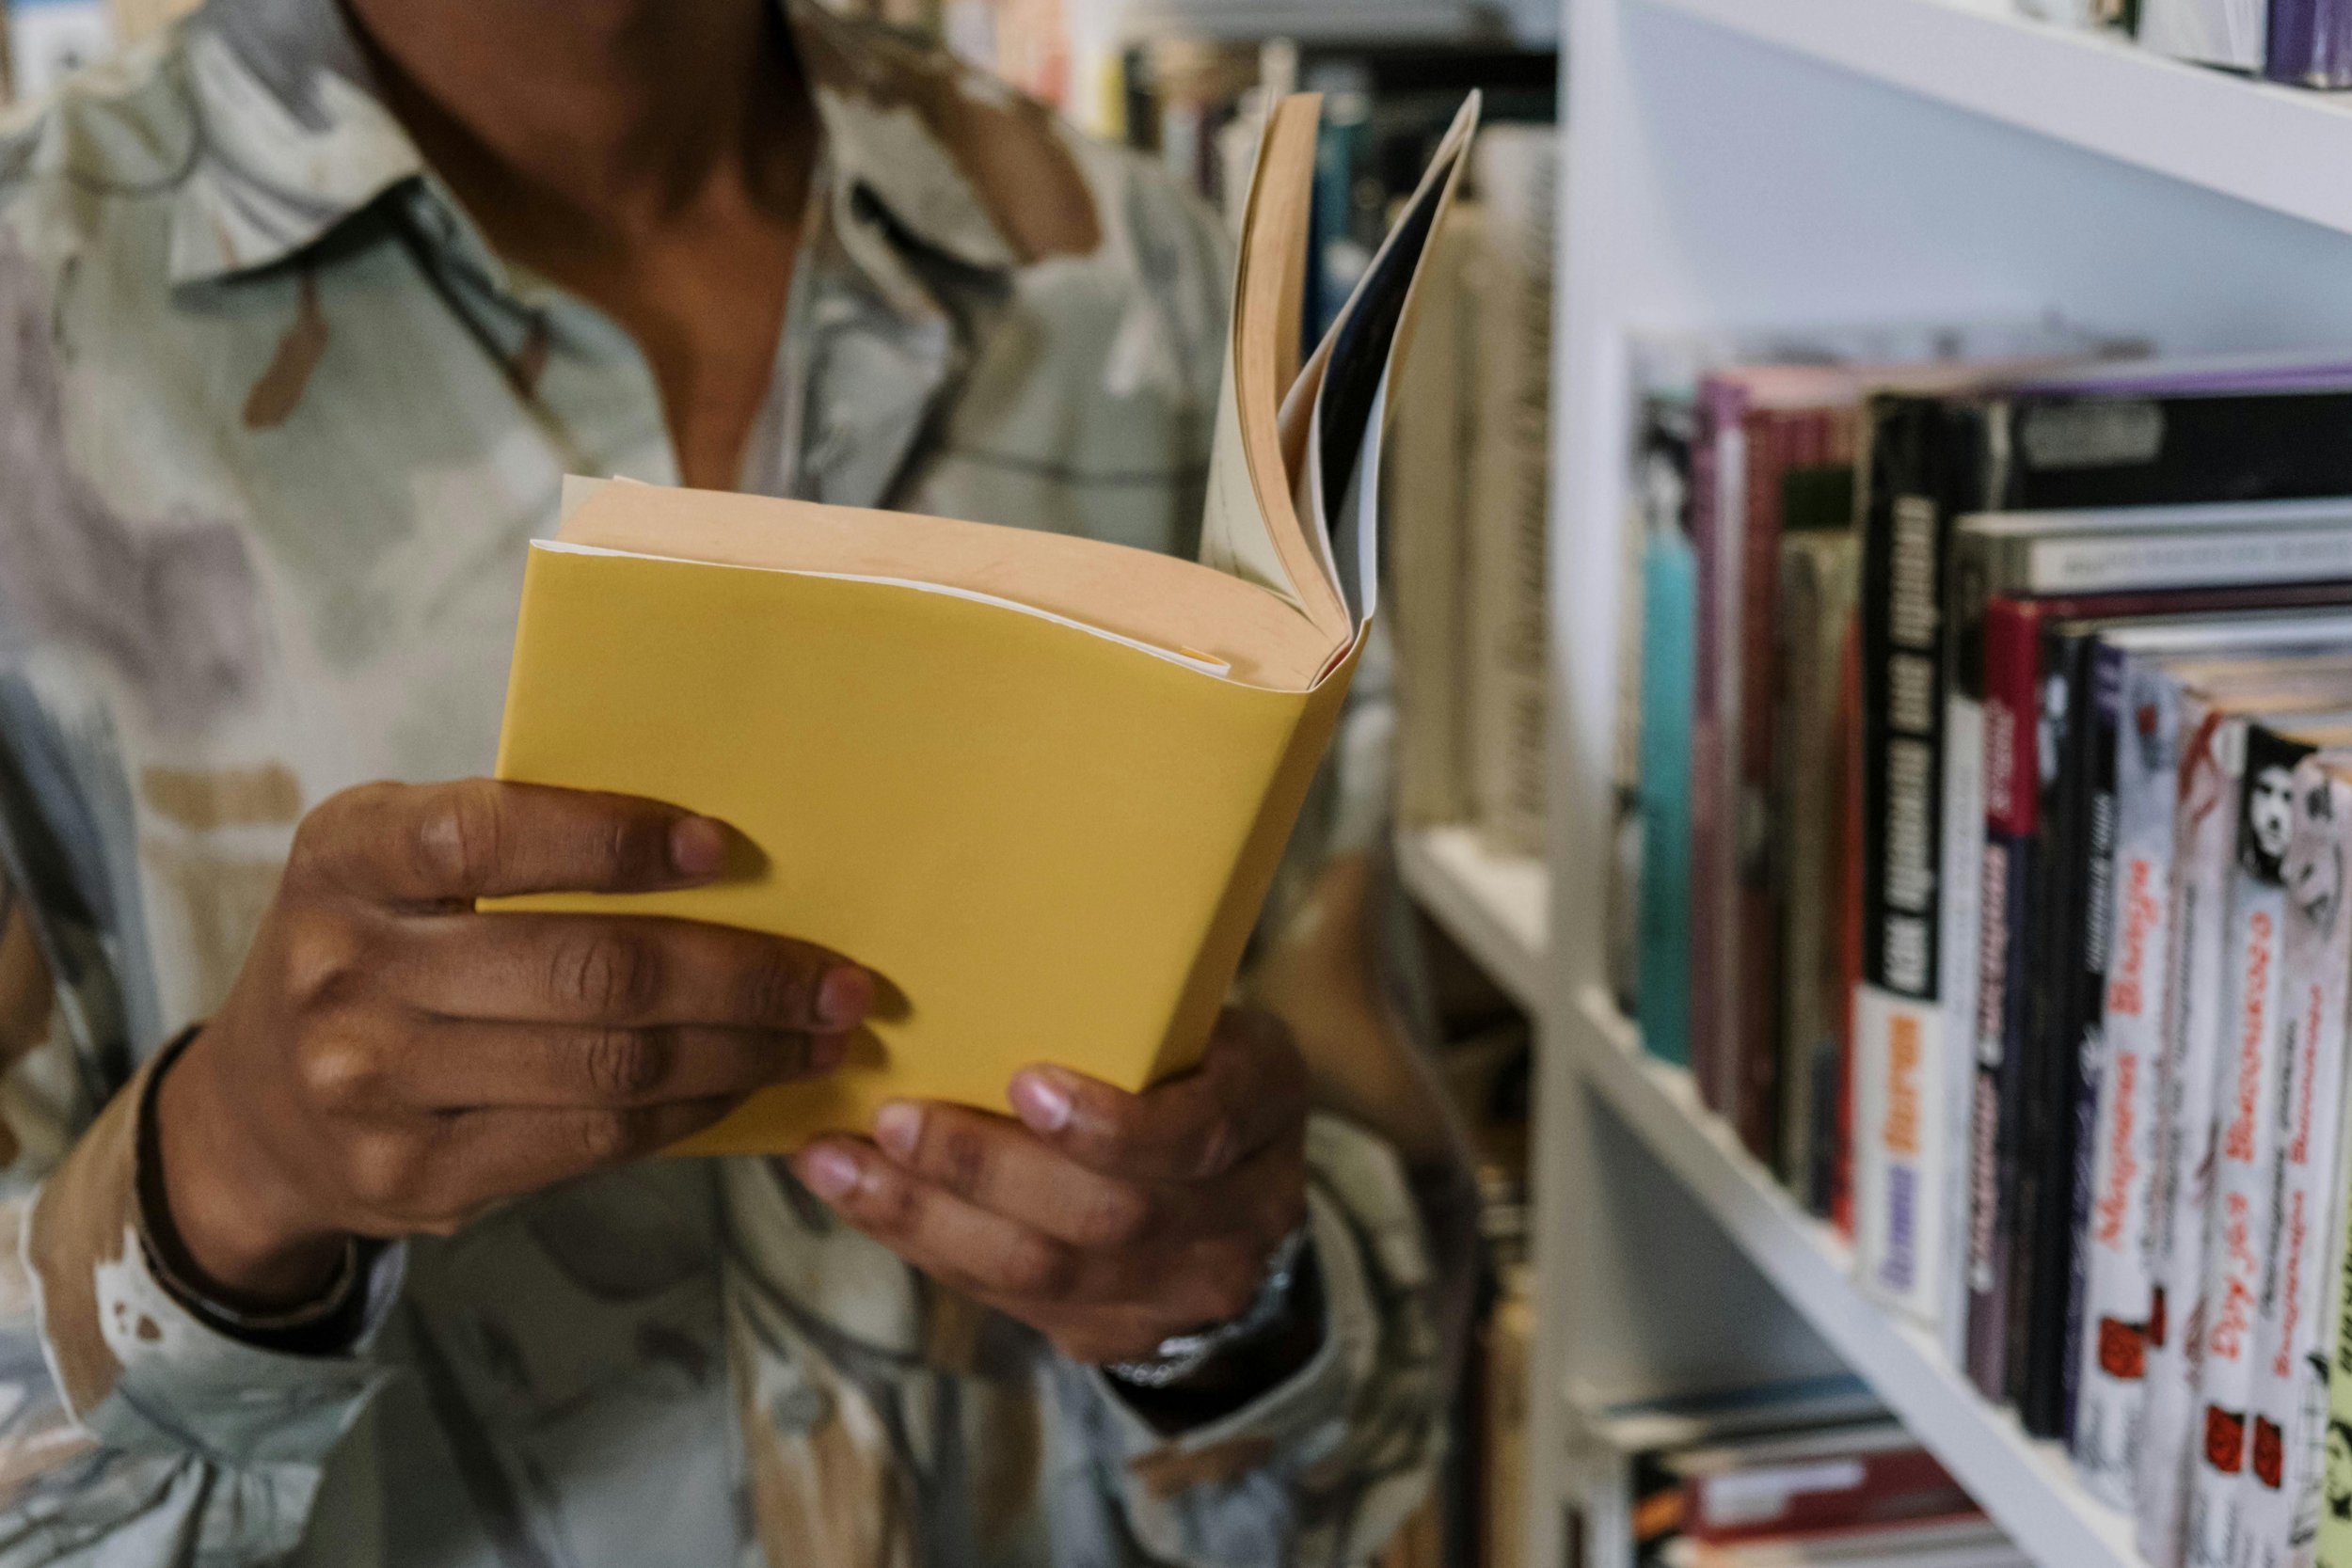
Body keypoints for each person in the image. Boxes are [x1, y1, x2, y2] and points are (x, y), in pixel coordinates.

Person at [0, 0, 1452, 1561]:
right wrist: (226, 1177)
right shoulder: (36, 329)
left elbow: (1387, 1369)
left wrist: (1229, 1309)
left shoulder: (1136, 282)